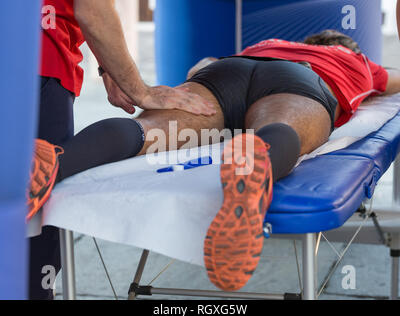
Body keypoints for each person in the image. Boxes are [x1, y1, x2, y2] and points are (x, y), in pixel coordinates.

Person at [30, 30, 400, 293]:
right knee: (280, 128)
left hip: (227, 71)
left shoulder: (267, 44)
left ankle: (57, 162)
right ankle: (258, 162)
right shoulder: (357, 62)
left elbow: (199, 67)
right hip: (301, 82)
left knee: (148, 132)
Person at [31, 0, 215, 300]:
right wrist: (139, 90)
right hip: (35, 56)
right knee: (37, 198)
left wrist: (108, 65)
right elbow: (92, 8)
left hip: (31, 51)